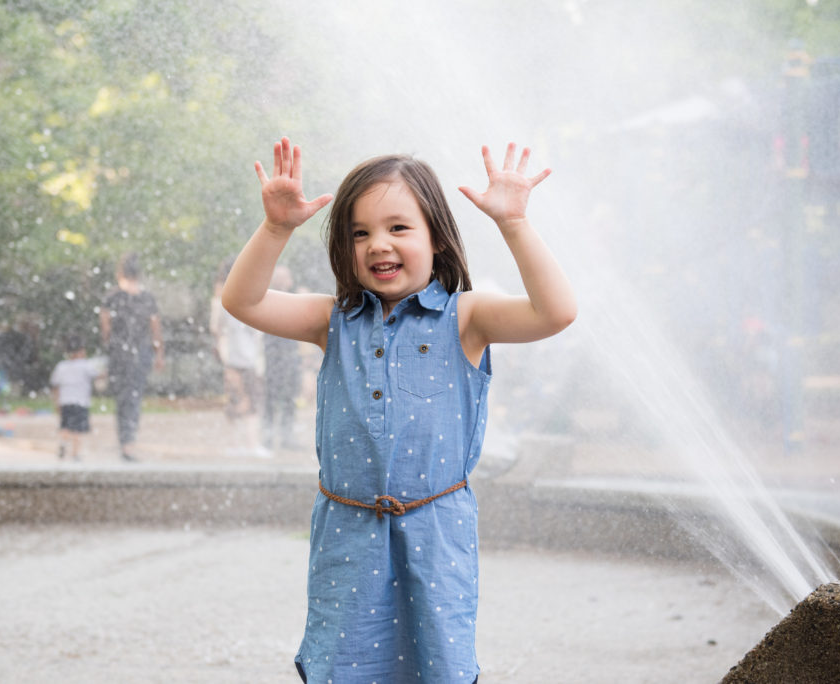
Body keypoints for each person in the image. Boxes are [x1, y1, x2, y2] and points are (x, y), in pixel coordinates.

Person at [221, 137, 576, 682]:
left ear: (436, 237)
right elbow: (241, 301)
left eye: (398, 228)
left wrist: (514, 224)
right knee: (345, 665)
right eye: (359, 233)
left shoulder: (467, 317)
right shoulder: (332, 321)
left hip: (435, 533)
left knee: (438, 665)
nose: (377, 244)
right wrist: (275, 229)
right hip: (348, 532)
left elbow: (555, 312)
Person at [100, 253, 165, 461]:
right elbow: (155, 330)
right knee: (134, 397)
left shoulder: (111, 297)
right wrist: (159, 354)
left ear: (120, 272)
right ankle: (130, 443)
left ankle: (124, 441)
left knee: (122, 398)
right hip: (141, 354)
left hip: (119, 353)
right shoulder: (147, 298)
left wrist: (108, 347)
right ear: (139, 273)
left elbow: (106, 330)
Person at [210, 258, 269, 457]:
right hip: (246, 359)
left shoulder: (221, 302)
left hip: (232, 359)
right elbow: (257, 331)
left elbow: (216, 329)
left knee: (235, 402)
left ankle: (235, 445)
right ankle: (251, 445)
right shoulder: (244, 297)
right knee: (250, 403)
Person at [262, 264, 303, 450]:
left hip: (290, 358)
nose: (282, 281)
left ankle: (286, 437)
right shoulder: (266, 300)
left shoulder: (296, 301)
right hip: (272, 357)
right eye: (278, 277)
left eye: (284, 278)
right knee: (270, 399)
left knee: (288, 399)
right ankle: (268, 437)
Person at [49, 336, 103, 461]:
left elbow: (55, 386)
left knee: (65, 426)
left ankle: (63, 444)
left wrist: (56, 402)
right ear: (81, 351)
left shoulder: (61, 366)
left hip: (65, 401)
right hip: (81, 402)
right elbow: (98, 375)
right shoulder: (85, 365)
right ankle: (75, 453)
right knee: (78, 429)